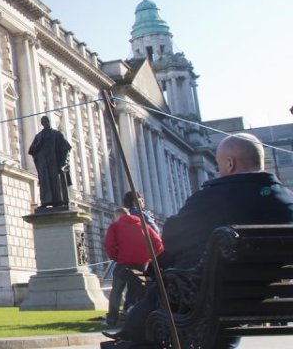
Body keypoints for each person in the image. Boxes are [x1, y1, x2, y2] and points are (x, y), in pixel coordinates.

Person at [107, 133, 293, 349]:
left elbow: (171, 240)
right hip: (259, 298)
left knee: (165, 286)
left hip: (204, 300)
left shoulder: (212, 198)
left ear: (230, 163)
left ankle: (129, 333)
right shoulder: (287, 201)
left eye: (219, 164)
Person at [103, 204, 163, 327]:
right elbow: (158, 244)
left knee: (117, 290)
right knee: (134, 290)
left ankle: (112, 319)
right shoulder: (144, 226)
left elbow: (109, 245)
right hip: (141, 263)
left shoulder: (115, 226)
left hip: (123, 262)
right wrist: (149, 257)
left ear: (118, 216)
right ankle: (130, 315)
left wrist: (115, 257)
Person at [28, 115, 73, 208]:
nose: (46, 123)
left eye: (47, 121)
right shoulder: (39, 136)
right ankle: (46, 202)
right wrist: (38, 145)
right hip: (44, 165)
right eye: (44, 122)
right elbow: (31, 150)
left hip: (55, 163)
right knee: (45, 182)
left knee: (57, 182)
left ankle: (59, 201)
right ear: (42, 123)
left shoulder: (56, 134)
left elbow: (66, 147)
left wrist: (64, 160)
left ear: (49, 122)